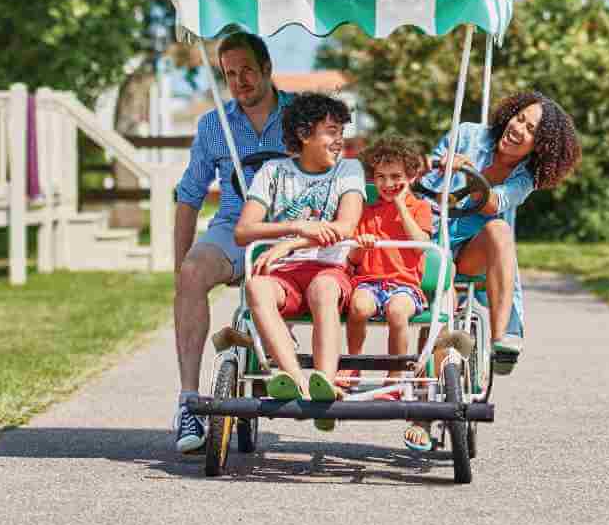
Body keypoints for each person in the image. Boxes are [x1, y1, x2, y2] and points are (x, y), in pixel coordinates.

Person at [171, 33, 293, 454]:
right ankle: (189, 402)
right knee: (191, 274)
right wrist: (180, 270)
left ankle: (315, 373)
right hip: (235, 226)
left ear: (267, 70)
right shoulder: (213, 125)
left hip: (293, 229)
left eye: (246, 71)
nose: (239, 81)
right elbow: (188, 197)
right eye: (229, 74)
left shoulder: (302, 115)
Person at [423, 90, 581, 375]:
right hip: (433, 238)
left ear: (540, 146)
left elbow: (495, 203)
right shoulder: (468, 134)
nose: (518, 129)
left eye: (530, 129)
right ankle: (428, 400)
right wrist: (442, 167)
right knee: (444, 307)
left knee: (499, 228)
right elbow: (423, 182)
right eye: (519, 119)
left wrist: (472, 176)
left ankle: (501, 342)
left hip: (473, 250)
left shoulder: (526, 176)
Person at [237, 94, 366, 431]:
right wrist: (295, 225)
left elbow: (345, 227)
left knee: (324, 289)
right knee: (255, 287)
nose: (339, 141)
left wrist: (291, 243)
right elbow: (244, 231)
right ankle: (295, 378)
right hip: (285, 277)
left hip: (329, 269)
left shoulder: (348, 170)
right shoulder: (273, 172)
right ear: (305, 134)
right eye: (331, 131)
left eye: (341, 132)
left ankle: (325, 380)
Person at [343, 136, 437, 451]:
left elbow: (420, 241)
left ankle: (395, 377)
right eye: (381, 178)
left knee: (398, 311)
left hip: (404, 285)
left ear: (411, 177)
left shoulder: (419, 208)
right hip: (370, 281)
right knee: (358, 305)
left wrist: (399, 204)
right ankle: (352, 365)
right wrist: (361, 243)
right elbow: (353, 260)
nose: (388, 184)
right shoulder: (367, 211)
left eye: (396, 177)